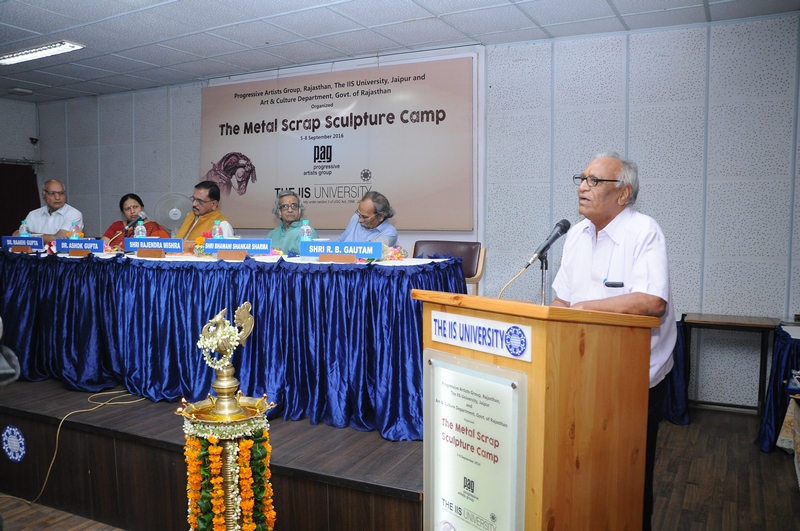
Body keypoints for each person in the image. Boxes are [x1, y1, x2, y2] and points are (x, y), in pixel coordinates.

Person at [550, 151, 676, 531]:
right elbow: (561, 301)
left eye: (594, 180)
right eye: (582, 178)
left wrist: (586, 308)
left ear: (623, 193)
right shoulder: (575, 235)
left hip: (632, 377)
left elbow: (652, 302)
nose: (582, 187)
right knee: (582, 463)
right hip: (580, 371)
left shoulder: (644, 231)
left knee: (628, 475)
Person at [13, 179, 83, 244]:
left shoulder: (74, 214)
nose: (57, 197)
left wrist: (28, 235)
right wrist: (44, 237)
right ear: (43, 196)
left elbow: (58, 239)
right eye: (52, 193)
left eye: (61, 193)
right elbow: (17, 235)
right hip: (34, 253)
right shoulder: (33, 214)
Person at [102, 193, 170, 249]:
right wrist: (113, 249)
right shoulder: (116, 226)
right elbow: (101, 246)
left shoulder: (153, 227)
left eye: (135, 207)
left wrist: (124, 252)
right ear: (123, 212)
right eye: (127, 209)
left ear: (142, 208)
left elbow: (167, 248)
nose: (132, 211)